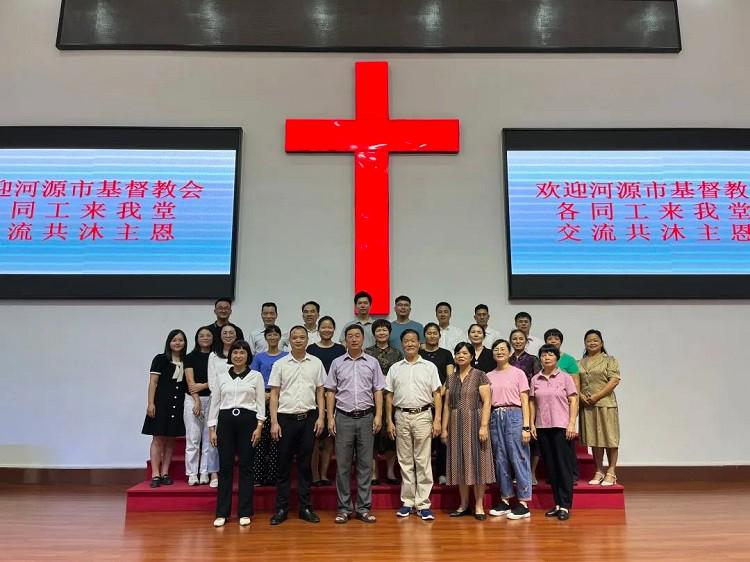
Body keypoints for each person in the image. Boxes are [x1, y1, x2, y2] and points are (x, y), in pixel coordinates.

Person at [326, 324, 385, 524]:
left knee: (365, 465)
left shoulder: (372, 362)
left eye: (357, 336)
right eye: (349, 336)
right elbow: (331, 391)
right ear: (345, 340)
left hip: (367, 417)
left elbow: (378, 390)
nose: (353, 339)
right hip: (343, 417)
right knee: (342, 465)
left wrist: (378, 416)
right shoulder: (336, 363)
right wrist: (330, 417)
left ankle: (363, 508)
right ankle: (343, 508)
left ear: (363, 339)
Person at [268, 326, 326, 525]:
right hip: (285, 419)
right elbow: (274, 394)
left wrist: (321, 417)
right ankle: (282, 508)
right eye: (295, 337)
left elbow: (320, 392)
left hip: (309, 418)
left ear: (308, 340)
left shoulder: (316, 363)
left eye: (302, 337)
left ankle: (305, 507)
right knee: (283, 466)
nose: (299, 340)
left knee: (305, 466)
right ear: (290, 340)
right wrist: (274, 422)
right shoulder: (280, 364)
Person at [385, 330, 442, 521]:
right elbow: (389, 395)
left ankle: (423, 504)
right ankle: (408, 501)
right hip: (401, 416)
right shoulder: (395, 368)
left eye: (413, 341)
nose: (410, 344)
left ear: (420, 344)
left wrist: (438, 420)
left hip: (423, 415)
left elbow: (437, 394)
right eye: (406, 341)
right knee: (405, 460)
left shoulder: (429, 366)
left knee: (422, 460)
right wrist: (389, 420)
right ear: (402, 344)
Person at [207, 340, 265, 527]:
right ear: (230, 356)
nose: (238, 356)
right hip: (225, 422)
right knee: (225, 467)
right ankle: (222, 512)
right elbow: (214, 403)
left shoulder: (256, 376)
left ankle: (245, 511)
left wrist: (259, 426)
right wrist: (212, 429)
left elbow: (260, 403)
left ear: (248, 355)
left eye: (242, 352)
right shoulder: (222, 376)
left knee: (247, 467)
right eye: (235, 352)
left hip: (248, 422)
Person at [442, 342, 494, 521]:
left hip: (476, 421)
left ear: (472, 356)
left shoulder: (480, 375)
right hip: (456, 424)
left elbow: (487, 402)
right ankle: (463, 504)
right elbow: (447, 405)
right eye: (458, 353)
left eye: (465, 353)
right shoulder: (451, 378)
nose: (461, 356)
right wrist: (444, 428)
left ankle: (479, 505)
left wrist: (484, 426)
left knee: (478, 463)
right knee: (460, 464)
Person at [530, 344, 579, 521]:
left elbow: (573, 400)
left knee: (563, 467)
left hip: (562, 427)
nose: (547, 357)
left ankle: (565, 505)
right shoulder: (536, 379)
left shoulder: (565, 378)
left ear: (557, 358)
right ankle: (557, 503)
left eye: (551, 354)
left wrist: (572, 423)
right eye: (544, 355)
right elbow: (533, 403)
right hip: (543, 427)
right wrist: (532, 424)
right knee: (551, 467)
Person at [485, 339, 532, 520]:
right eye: (496, 349)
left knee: (518, 457)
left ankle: (523, 503)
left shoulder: (518, 373)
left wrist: (526, 426)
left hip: (515, 415)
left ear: (509, 352)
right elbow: (487, 403)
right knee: (500, 458)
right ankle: (505, 499)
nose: (499, 352)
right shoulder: (488, 375)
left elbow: (525, 401)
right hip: (496, 416)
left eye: (503, 349)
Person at [142, 329, 188, 488]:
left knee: (170, 440)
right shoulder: (161, 359)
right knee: (158, 439)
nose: (177, 343)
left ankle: (165, 472)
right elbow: (153, 382)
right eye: (174, 340)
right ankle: (155, 473)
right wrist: (150, 403)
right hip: (161, 404)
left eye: (181, 340)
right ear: (169, 342)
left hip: (178, 404)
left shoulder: (187, 361)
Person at [578, 329, 621, 487]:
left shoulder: (609, 360)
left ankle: (611, 471)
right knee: (594, 439)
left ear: (602, 343)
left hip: (605, 404)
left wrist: (597, 396)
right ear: (585, 343)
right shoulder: (579, 363)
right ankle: (599, 470)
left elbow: (614, 381)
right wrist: (581, 395)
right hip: (587, 406)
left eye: (595, 340)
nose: (592, 342)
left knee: (610, 438)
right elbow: (575, 382)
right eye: (589, 340)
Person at [307, 315, 346, 487]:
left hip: (335, 397)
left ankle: (324, 474)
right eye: (323, 327)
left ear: (334, 329)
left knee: (330, 437)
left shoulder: (340, 349)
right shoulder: (311, 349)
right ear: (318, 329)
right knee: (315, 438)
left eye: (330, 327)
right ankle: (314, 475)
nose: (327, 330)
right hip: (313, 397)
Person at [249, 325, 288, 487]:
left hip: (282, 398)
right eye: (269, 335)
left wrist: (276, 395)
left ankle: (273, 476)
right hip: (261, 397)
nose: (272, 338)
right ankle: (258, 476)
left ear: (280, 337)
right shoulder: (258, 357)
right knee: (261, 438)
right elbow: (252, 377)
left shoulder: (286, 356)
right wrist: (262, 394)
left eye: (275, 335)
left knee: (276, 438)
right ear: (265, 338)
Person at [365, 318, 403, 485]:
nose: (381, 332)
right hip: (371, 400)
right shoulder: (366, 352)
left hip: (392, 400)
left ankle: (390, 472)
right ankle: (373, 473)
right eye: (378, 330)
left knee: (391, 436)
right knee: (371, 436)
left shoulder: (397, 353)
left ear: (389, 332)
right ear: (374, 334)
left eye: (384, 330)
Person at [419, 322, 454, 484]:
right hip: (422, 401)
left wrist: (440, 393)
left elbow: (450, 376)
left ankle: (441, 472)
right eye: (429, 333)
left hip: (442, 399)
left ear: (440, 336)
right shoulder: (419, 353)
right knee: (424, 440)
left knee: (441, 439)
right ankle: (425, 475)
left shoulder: (446, 354)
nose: (432, 335)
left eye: (435, 333)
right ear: (424, 335)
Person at [544, 328, 581, 482]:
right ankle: (554, 475)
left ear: (561, 341)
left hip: (564, 407)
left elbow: (576, 385)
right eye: (550, 338)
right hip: (548, 409)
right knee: (551, 446)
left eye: (556, 338)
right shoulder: (544, 359)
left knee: (566, 445)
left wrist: (575, 407)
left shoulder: (569, 360)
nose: (553, 341)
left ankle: (571, 475)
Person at [184, 326, 219, 487]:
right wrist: (196, 399)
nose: (205, 338)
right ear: (197, 338)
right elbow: (191, 383)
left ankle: (205, 471)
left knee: (208, 438)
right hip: (193, 399)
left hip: (212, 398)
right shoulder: (190, 357)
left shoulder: (216, 357)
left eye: (208, 335)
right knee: (193, 437)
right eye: (201, 335)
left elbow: (217, 381)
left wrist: (204, 385)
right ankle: (192, 473)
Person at [207, 325, 237, 418]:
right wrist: (221, 394)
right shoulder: (213, 355)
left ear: (236, 336)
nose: (228, 335)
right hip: (218, 398)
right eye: (225, 333)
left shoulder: (240, 354)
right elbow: (212, 379)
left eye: (231, 333)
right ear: (220, 336)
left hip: (237, 397)